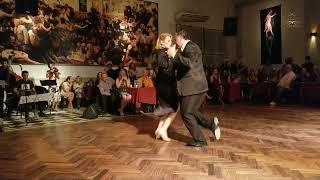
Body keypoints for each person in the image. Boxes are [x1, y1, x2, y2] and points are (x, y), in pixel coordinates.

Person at [167, 30, 221, 147]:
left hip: (194, 86)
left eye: (176, 39)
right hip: (192, 87)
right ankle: (211, 123)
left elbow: (190, 64)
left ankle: (201, 140)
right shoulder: (186, 49)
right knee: (190, 111)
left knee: (186, 113)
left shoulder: (191, 47)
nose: (175, 42)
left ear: (180, 37)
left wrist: (175, 56)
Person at [153, 33, 179, 141]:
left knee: (166, 110)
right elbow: (165, 69)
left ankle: (159, 130)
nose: (171, 43)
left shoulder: (162, 53)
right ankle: (164, 129)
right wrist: (172, 56)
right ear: (162, 42)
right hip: (166, 86)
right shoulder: (161, 53)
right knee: (175, 109)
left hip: (165, 85)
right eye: (168, 41)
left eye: (171, 41)